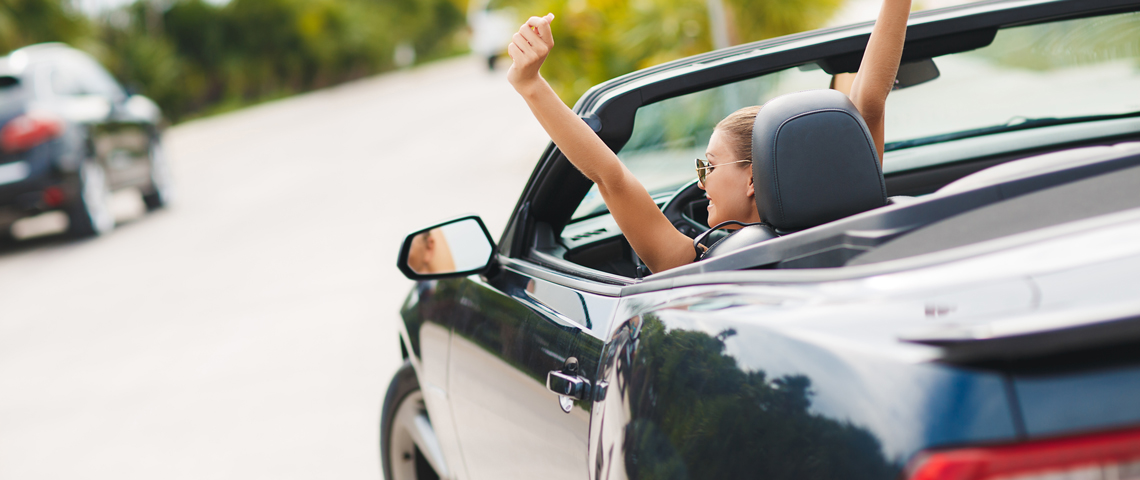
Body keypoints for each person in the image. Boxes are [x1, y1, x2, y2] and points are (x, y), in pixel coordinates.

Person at [506, 1, 911, 274]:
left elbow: (610, 176)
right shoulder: (861, 217)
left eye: (709, 165)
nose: (700, 181)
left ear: (754, 178)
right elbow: (869, 101)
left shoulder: (698, 261)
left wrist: (531, 84)